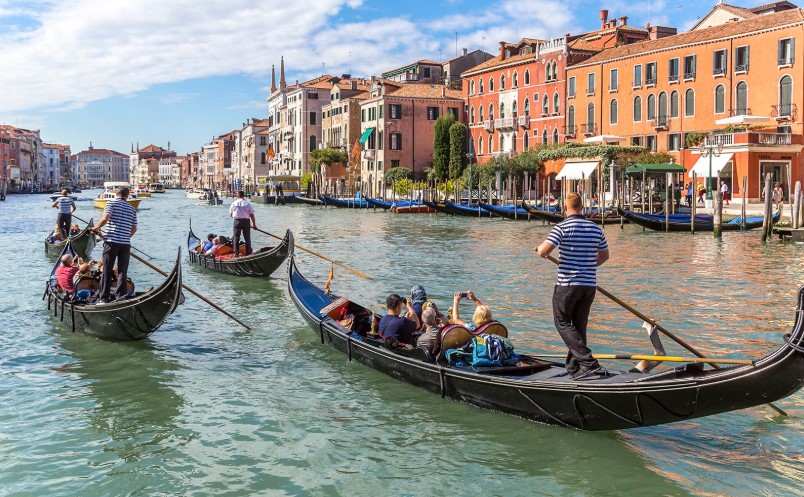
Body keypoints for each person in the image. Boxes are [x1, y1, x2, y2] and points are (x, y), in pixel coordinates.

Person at [536, 192, 610, 380]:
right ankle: (576, 367)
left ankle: (589, 363)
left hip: (567, 285)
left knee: (561, 322)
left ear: (565, 207)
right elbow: (604, 256)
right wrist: (587, 266)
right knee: (578, 326)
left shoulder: (561, 228)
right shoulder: (595, 229)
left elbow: (544, 251)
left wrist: (540, 250)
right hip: (589, 285)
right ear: (582, 207)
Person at [91, 186, 137, 303]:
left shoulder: (110, 203)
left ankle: (104, 298)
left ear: (116, 193)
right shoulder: (132, 209)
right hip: (125, 244)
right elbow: (134, 228)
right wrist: (126, 237)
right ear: (127, 196)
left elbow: (105, 218)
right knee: (122, 271)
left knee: (107, 269)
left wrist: (95, 228)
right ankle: (120, 297)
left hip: (111, 242)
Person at [229, 190, 256, 256]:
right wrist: (254, 224)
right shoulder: (247, 204)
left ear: (237, 196)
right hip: (246, 222)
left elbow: (231, 214)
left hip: (237, 221)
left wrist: (236, 217)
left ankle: (236, 254)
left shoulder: (233, 203)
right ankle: (249, 253)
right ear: (243, 196)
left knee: (236, 238)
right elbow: (252, 215)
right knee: (247, 238)